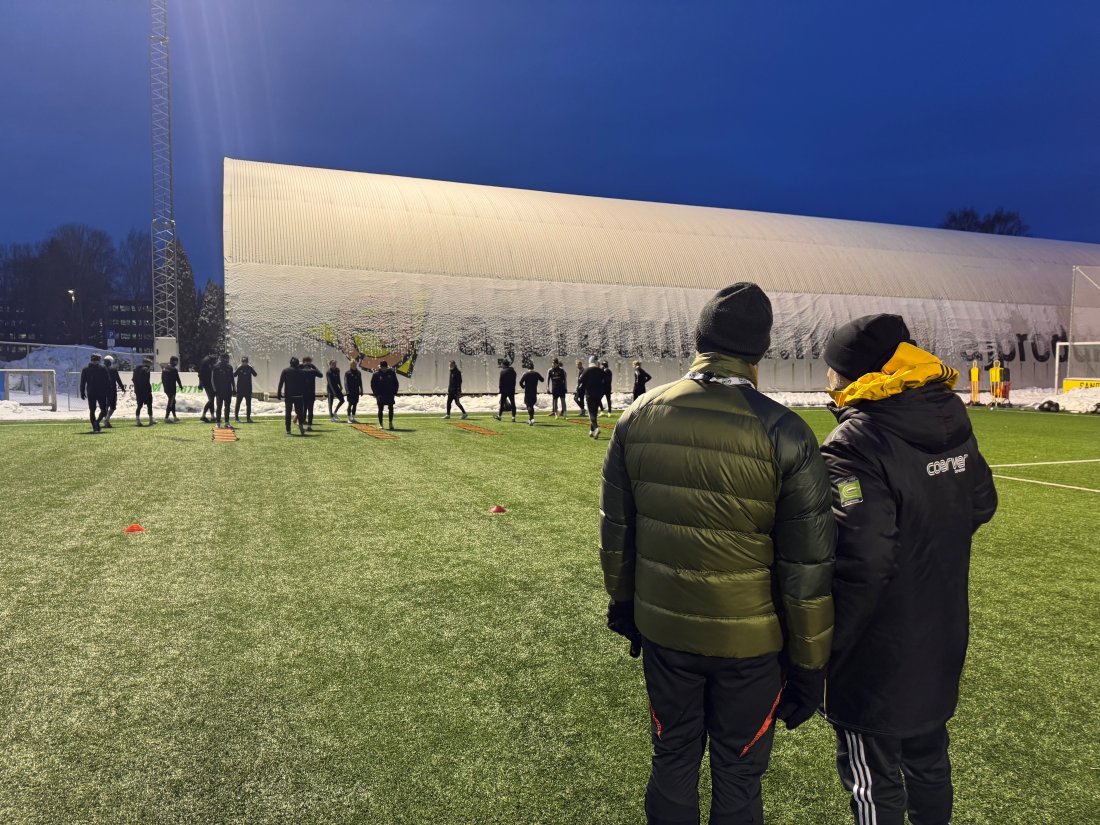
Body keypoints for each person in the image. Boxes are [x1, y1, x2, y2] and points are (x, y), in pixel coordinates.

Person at [600, 283, 836, 825]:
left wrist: (625, 607)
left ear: (700, 338)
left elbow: (618, 532)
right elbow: (808, 572)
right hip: (750, 647)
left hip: (666, 633)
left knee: (673, 756)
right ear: (759, 351)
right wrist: (809, 666)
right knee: (738, 775)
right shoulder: (787, 432)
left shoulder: (639, 415)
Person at [819, 314, 998, 825]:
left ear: (856, 374)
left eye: (832, 370)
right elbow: (981, 503)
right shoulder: (948, 415)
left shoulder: (855, 443)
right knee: (927, 759)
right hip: (940, 630)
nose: (827, 379)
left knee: (873, 777)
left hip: (877, 649)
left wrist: (829, 648)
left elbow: (863, 560)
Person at [79, 352, 110, 434]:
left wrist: (82, 392)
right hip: (101, 391)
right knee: (104, 410)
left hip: (91, 391)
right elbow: (107, 381)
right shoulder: (103, 368)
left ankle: (94, 426)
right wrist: (109, 391)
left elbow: (83, 382)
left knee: (92, 410)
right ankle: (97, 422)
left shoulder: (85, 369)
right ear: (99, 359)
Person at [277, 357, 307, 436]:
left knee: (288, 413)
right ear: (297, 364)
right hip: (299, 395)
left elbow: (281, 383)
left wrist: (279, 393)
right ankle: (301, 428)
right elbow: (305, 385)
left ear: (290, 363)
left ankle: (288, 430)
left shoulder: (285, 371)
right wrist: (305, 394)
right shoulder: (301, 372)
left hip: (288, 396)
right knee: (300, 413)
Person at [577, 356, 606, 438]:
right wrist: (602, 392)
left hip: (590, 394)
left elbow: (581, 381)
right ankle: (592, 430)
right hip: (598, 394)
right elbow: (605, 382)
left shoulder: (587, 370)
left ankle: (596, 428)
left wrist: (579, 392)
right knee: (595, 412)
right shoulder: (600, 371)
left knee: (591, 413)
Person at [370, 360, 400, 430]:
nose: (384, 369)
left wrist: (394, 392)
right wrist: (376, 394)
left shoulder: (392, 373)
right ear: (380, 367)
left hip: (390, 394)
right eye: (382, 367)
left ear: (387, 367)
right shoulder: (376, 374)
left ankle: (390, 423)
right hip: (380, 395)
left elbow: (396, 383)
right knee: (380, 409)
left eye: (385, 367)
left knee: (391, 408)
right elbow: (372, 385)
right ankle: (381, 424)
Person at [211, 353, 236, 428]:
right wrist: (214, 390)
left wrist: (234, 388)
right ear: (222, 358)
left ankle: (227, 422)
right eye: (226, 358)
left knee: (227, 407)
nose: (227, 360)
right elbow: (212, 379)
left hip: (228, 390)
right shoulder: (216, 367)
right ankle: (218, 422)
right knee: (219, 407)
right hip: (219, 390)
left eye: (228, 359)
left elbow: (232, 379)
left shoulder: (229, 367)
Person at [300, 356, 323, 430]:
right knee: (310, 410)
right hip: (311, 393)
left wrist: (300, 365)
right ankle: (309, 425)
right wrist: (314, 367)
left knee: (304, 409)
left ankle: (302, 424)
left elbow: (295, 371)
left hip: (303, 392)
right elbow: (321, 375)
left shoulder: (301, 370)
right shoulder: (313, 371)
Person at [102, 355, 125, 427]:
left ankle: (105, 419)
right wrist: (122, 388)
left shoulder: (101, 369)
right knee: (112, 406)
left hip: (103, 390)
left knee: (105, 406)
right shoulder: (113, 369)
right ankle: (107, 419)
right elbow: (118, 379)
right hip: (112, 390)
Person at [132, 356, 156, 426]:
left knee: (139, 405)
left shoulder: (136, 369)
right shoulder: (146, 369)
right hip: (146, 390)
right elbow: (145, 381)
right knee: (149, 405)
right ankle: (151, 420)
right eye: (150, 364)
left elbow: (133, 380)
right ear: (147, 363)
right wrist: (147, 389)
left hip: (138, 390)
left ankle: (138, 420)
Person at [519, 361, 544, 426]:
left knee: (529, 405)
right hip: (534, 391)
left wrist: (523, 386)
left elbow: (520, 382)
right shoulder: (536, 373)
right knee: (531, 405)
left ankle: (532, 418)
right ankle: (531, 419)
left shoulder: (526, 374)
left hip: (528, 392)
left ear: (527, 368)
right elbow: (542, 380)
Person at [234, 356, 258, 423]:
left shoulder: (249, 368)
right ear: (241, 362)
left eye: (245, 362)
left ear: (247, 362)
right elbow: (234, 375)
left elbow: (255, 374)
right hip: (240, 389)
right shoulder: (239, 367)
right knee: (238, 403)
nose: (244, 363)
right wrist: (237, 368)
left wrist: (251, 367)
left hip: (248, 389)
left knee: (248, 404)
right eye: (243, 362)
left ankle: (248, 418)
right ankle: (236, 417)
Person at [161, 355, 183, 423]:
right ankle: (166, 418)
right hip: (172, 389)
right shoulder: (173, 369)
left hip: (166, 388)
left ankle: (175, 416)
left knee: (173, 402)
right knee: (171, 402)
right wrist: (180, 386)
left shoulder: (165, 368)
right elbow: (177, 379)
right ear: (175, 361)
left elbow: (162, 379)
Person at [198, 353, 217, 423]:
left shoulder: (210, 360)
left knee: (211, 399)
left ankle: (212, 416)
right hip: (208, 383)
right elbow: (200, 373)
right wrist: (200, 383)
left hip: (210, 383)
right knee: (211, 400)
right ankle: (203, 415)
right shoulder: (206, 361)